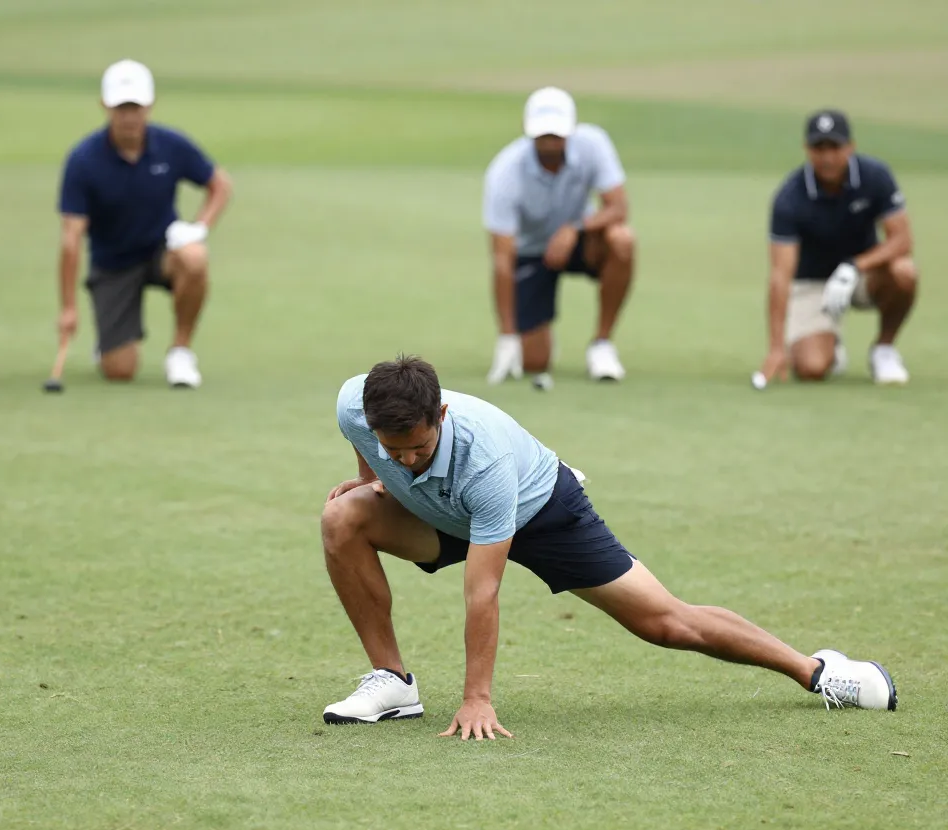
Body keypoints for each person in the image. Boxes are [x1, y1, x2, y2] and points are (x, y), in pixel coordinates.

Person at [321, 355, 897, 739]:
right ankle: (393, 685)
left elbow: (483, 590)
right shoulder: (356, 405)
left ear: (441, 415)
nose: (405, 458)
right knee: (343, 517)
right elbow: (373, 451)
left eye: (418, 447)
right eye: (392, 449)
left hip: (540, 510)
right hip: (443, 511)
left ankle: (816, 670)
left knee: (667, 624)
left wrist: (476, 698)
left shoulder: (486, 457)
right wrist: (376, 478)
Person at [57, 59, 233, 388]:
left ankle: (180, 352)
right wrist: (68, 308)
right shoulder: (83, 160)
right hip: (112, 264)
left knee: (194, 256)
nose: (129, 116)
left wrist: (199, 228)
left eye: (135, 107)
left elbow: (220, 185)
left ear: (149, 105)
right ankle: (108, 344)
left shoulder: (170, 145)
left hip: (161, 251)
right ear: (106, 107)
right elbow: (71, 239)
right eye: (121, 108)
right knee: (120, 370)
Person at [482, 87, 636, 390]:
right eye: (543, 136)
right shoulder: (505, 172)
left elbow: (619, 207)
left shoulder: (593, 143)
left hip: (581, 240)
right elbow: (502, 258)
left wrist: (575, 228)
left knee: (622, 239)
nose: (551, 143)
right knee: (534, 363)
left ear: (571, 130)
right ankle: (525, 343)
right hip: (530, 252)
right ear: (530, 133)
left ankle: (602, 345)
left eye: (557, 135)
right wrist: (507, 335)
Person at [758, 110, 917, 386]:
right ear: (807, 150)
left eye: (835, 147)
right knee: (811, 369)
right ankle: (831, 345)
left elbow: (902, 240)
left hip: (862, 276)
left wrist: (854, 266)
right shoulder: (790, 197)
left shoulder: (875, 176)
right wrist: (775, 348)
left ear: (850, 147)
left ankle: (884, 349)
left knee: (904, 271)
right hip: (812, 282)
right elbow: (780, 275)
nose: (827, 157)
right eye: (819, 148)